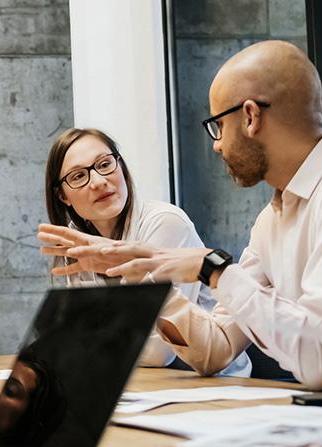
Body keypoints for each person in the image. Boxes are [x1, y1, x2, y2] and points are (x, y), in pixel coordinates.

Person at [39, 40, 322, 396]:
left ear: (250, 117)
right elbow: (214, 350)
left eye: (218, 126)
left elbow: (320, 359)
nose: (216, 146)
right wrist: (140, 273)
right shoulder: (272, 219)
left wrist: (212, 269)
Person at [43, 128, 250, 376]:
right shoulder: (75, 239)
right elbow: (74, 341)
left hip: (212, 384)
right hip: (139, 384)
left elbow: (159, 351)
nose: (98, 181)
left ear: (120, 165)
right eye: (78, 176)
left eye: (105, 164)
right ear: (62, 196)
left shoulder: (165, 223)